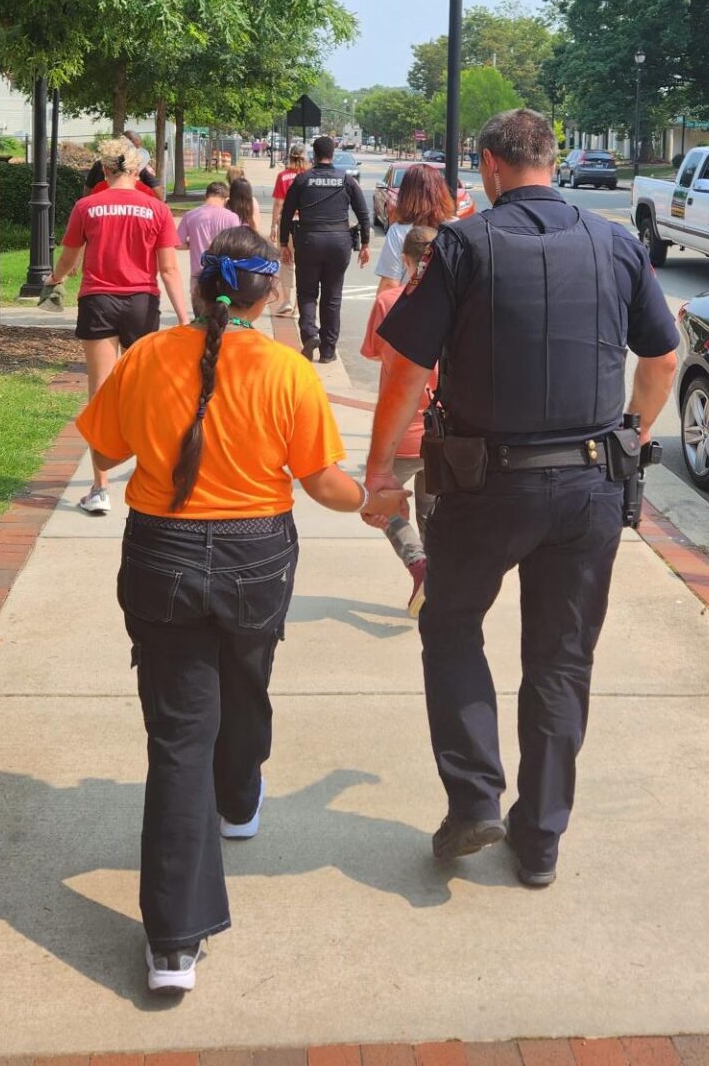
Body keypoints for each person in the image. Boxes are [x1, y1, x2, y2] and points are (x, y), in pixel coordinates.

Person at [362, 108, 678, 889]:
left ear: (491, 166)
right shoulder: (616, 243)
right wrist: (630, 438)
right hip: (590, 484)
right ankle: (539, 841)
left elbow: (405, 370)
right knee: (561, 660)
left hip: (483, 483)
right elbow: (663, 358)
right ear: (553, 159)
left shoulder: (466, 245)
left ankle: (475, 797)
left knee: (452, 623)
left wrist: (377, 475)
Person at [75, 226, 364, 994]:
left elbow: (105, 455)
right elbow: (325, 483)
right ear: (268, 295)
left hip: (161, 556)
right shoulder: (289, 371)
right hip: (255, 558)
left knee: (178, 738)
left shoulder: (145, 358)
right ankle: (239, 798)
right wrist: (373, 497)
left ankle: (173, 945)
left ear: (202, 287)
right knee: (247, 678)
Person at [43, 136, 189, 517]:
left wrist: (54, 280)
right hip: (142, 302)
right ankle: (158, 475)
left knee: (101, 395)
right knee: (147, 393)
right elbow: (169, 269)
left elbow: (69, 259)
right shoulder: (156, 210)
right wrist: (187, 319)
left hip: (99, 301)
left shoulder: (86, 206)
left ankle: (100, 488)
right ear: (137, 170)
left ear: (104, 170)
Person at [360, 224, 439, 617]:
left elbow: (374, 352)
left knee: (382, 504)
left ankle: (418, 565)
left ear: (406, 262)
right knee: (431, 509)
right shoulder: (458, 306)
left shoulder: (388, 302)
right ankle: (437, 578)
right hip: (443, 432)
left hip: (400, 433)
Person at [278, 135, 371, 364]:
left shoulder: (302, 180)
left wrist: (283, 244)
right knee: (332, 297)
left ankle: (310, 334)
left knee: (307, 292)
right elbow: (363, 213)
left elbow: (286, 215)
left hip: (309, 240)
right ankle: (328, 351)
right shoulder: (346, 180)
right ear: (333, 152)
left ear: (314, 154)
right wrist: (366, 243)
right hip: (339, 242)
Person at [373, 162, 457, 295]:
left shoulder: (399, 231)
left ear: (405, 194)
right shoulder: (456, 228)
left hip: (412, 309)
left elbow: (390, 284)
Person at [268, 143, 307, 314]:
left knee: (286, 262)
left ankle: (286, 301)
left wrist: (273, 226)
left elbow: (278, 203)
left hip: (287, 223)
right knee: (303, 266)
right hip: (305, 224)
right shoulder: (309, 176)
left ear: (289, 157)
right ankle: (299, 307)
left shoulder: (282, 176)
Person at [176, 180, 239, 282]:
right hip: (223, 275)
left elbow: (177, 243)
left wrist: (192, 243)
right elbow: (237, 246)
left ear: (205, 196)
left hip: (199, 275)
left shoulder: (190, 215)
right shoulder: (232, 218)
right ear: (226, 199)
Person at [124, 128, 163, 199]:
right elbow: (156, 186)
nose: (138, 141)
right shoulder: (138, 160)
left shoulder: (142, 152)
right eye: (137, 145)